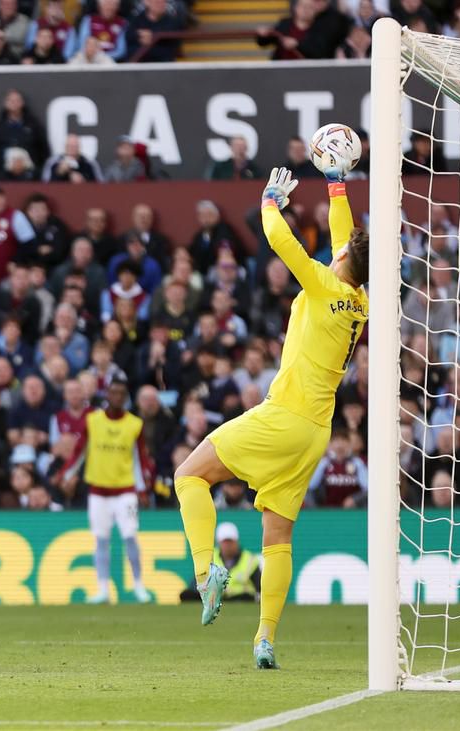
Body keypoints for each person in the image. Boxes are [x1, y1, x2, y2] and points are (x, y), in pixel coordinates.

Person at [174, 158, 368, 670]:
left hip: (283, 415)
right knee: (278, 535)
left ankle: (205, 571)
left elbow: (283, 243)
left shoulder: (325, 287)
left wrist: (267, 203)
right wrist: (336, 183)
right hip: (315, 431)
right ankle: (264, 640)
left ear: (344, 257)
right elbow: (345, 234)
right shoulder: (360, 299)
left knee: (188, 476)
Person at [62, 376, 153, 603]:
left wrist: (143, 488)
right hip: (98, 492)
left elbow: (140, 459)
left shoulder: (134, 424)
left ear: (126, 397)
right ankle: (102, 589)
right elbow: (79, 451)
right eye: (114, 392)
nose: (117, 397)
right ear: (107, 395)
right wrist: (66, 475)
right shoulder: (92, 420)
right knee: (101, 540)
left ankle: (139, 586)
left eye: (122, 393)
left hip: (125, 491)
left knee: (130, 537)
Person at [0, 90, 48, 180]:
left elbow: (43, 149)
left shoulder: (34, 125)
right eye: (11, 100)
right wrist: (5, 162)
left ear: (22, 103)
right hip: (5, 177)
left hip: (30, 177)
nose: (14, 103)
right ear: (5, 103)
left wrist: (27, 163)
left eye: (17, 100)